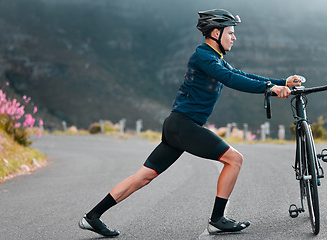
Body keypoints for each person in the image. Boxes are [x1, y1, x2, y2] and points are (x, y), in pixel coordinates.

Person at [79, 9, 301, 237]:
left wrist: (281, 82)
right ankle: (217, 220)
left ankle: (92, 217)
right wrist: (269, 89)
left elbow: (244, 75)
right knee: (234, 160)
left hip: (178, 126)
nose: (234, 37)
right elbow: (232, 79)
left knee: (143, 176)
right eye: (231, 33)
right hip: (184, 125)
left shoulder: (215, 58)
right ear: (216, 32)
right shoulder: (203, 57)